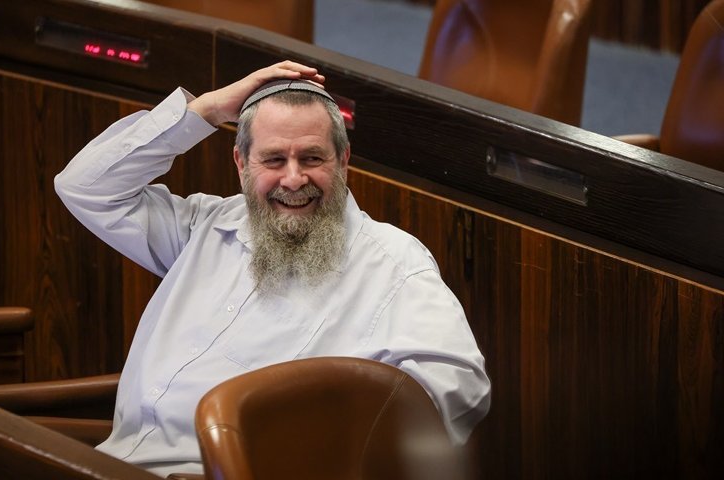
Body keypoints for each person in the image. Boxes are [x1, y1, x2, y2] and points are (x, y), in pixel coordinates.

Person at [54, 61, 490, 477]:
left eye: (313, 158)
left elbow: (456, 388)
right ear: (242, 164)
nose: (294, 179)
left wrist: (316, 452)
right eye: (274, 160)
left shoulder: (392, 263)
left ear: (343, 161)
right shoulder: (203, 226)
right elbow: (85, 188)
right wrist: (207, 110)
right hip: (108, 459)